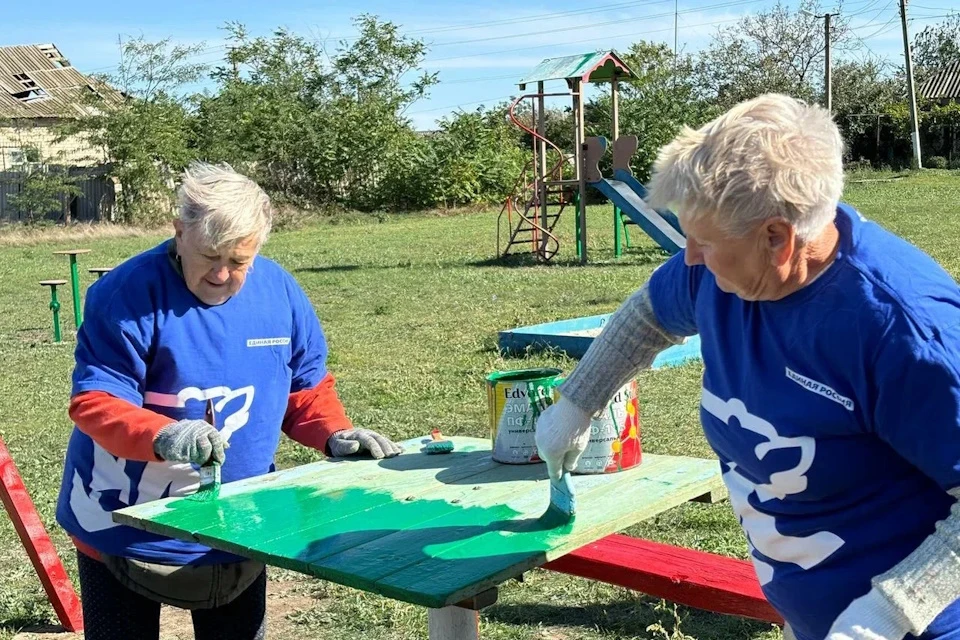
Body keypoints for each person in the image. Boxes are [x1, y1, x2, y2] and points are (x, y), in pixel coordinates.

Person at [534, 94, 960, 640]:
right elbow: (649, 313)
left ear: (778, 238)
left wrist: (890, 612)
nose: (687, 256)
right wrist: (578, 401)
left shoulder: (905, 333)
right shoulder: (723, 270)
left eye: (704, 241)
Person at [55, 162, 402, 640]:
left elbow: (304, 388)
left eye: (239, 261)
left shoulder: (279, 292)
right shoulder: (125, 294)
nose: (221, 275)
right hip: (121, 525)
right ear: (179, 232)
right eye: (208, 256)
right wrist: (163, 435)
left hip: (238, 521)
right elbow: (96, 399)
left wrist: (333, 433)